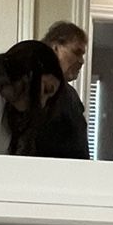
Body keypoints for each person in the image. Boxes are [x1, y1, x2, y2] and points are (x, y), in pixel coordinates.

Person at [34, 21, 91, 160]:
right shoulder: (33, 88)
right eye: (76, 52)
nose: (82, 61)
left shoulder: (71, 94)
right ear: (55, 48)